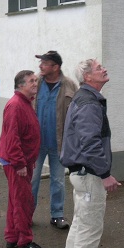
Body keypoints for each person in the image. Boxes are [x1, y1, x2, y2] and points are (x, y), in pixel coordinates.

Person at [60, 59, 121, 248]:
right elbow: (90, 142)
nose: (104, 69)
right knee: (90, 227)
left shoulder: (86, 98)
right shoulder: (89, 102)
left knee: (80, 222)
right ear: (87, 77)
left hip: (81, 173)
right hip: (89, 175)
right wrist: (105, 174)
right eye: (98, 68)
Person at [0, 70, 48, 248]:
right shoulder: (16, 105)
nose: (35, 83)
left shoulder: (26, 103)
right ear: (20, 85)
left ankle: (11, 237)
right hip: (16, 164)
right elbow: (12, 138)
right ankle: (25, 242)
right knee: (23, 202)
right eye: (31, 81)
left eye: (36, 80)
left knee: (15, 200)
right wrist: (19, 164)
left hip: (22, 162)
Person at [31, 51, 78, 229]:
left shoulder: (70, 85)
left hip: (60, 143)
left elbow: (77, 114)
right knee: (32, 180)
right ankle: (27, 215)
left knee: (58, 180)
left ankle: (57, 215)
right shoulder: (35, 82)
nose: (40, 66)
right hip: (36, 144)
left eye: (44, 63)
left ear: (55, 67)